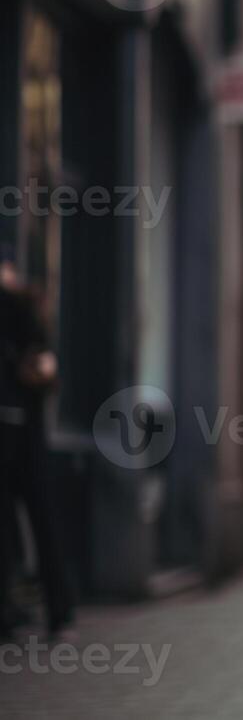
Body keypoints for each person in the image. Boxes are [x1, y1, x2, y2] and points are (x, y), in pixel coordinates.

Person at [0, 243, 75, 641]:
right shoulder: (21, 304)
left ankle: (55, 609)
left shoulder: (20, 307)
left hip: (23, 433)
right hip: (21, 430)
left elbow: (46, 367)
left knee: (37, 518)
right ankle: (23, 611)